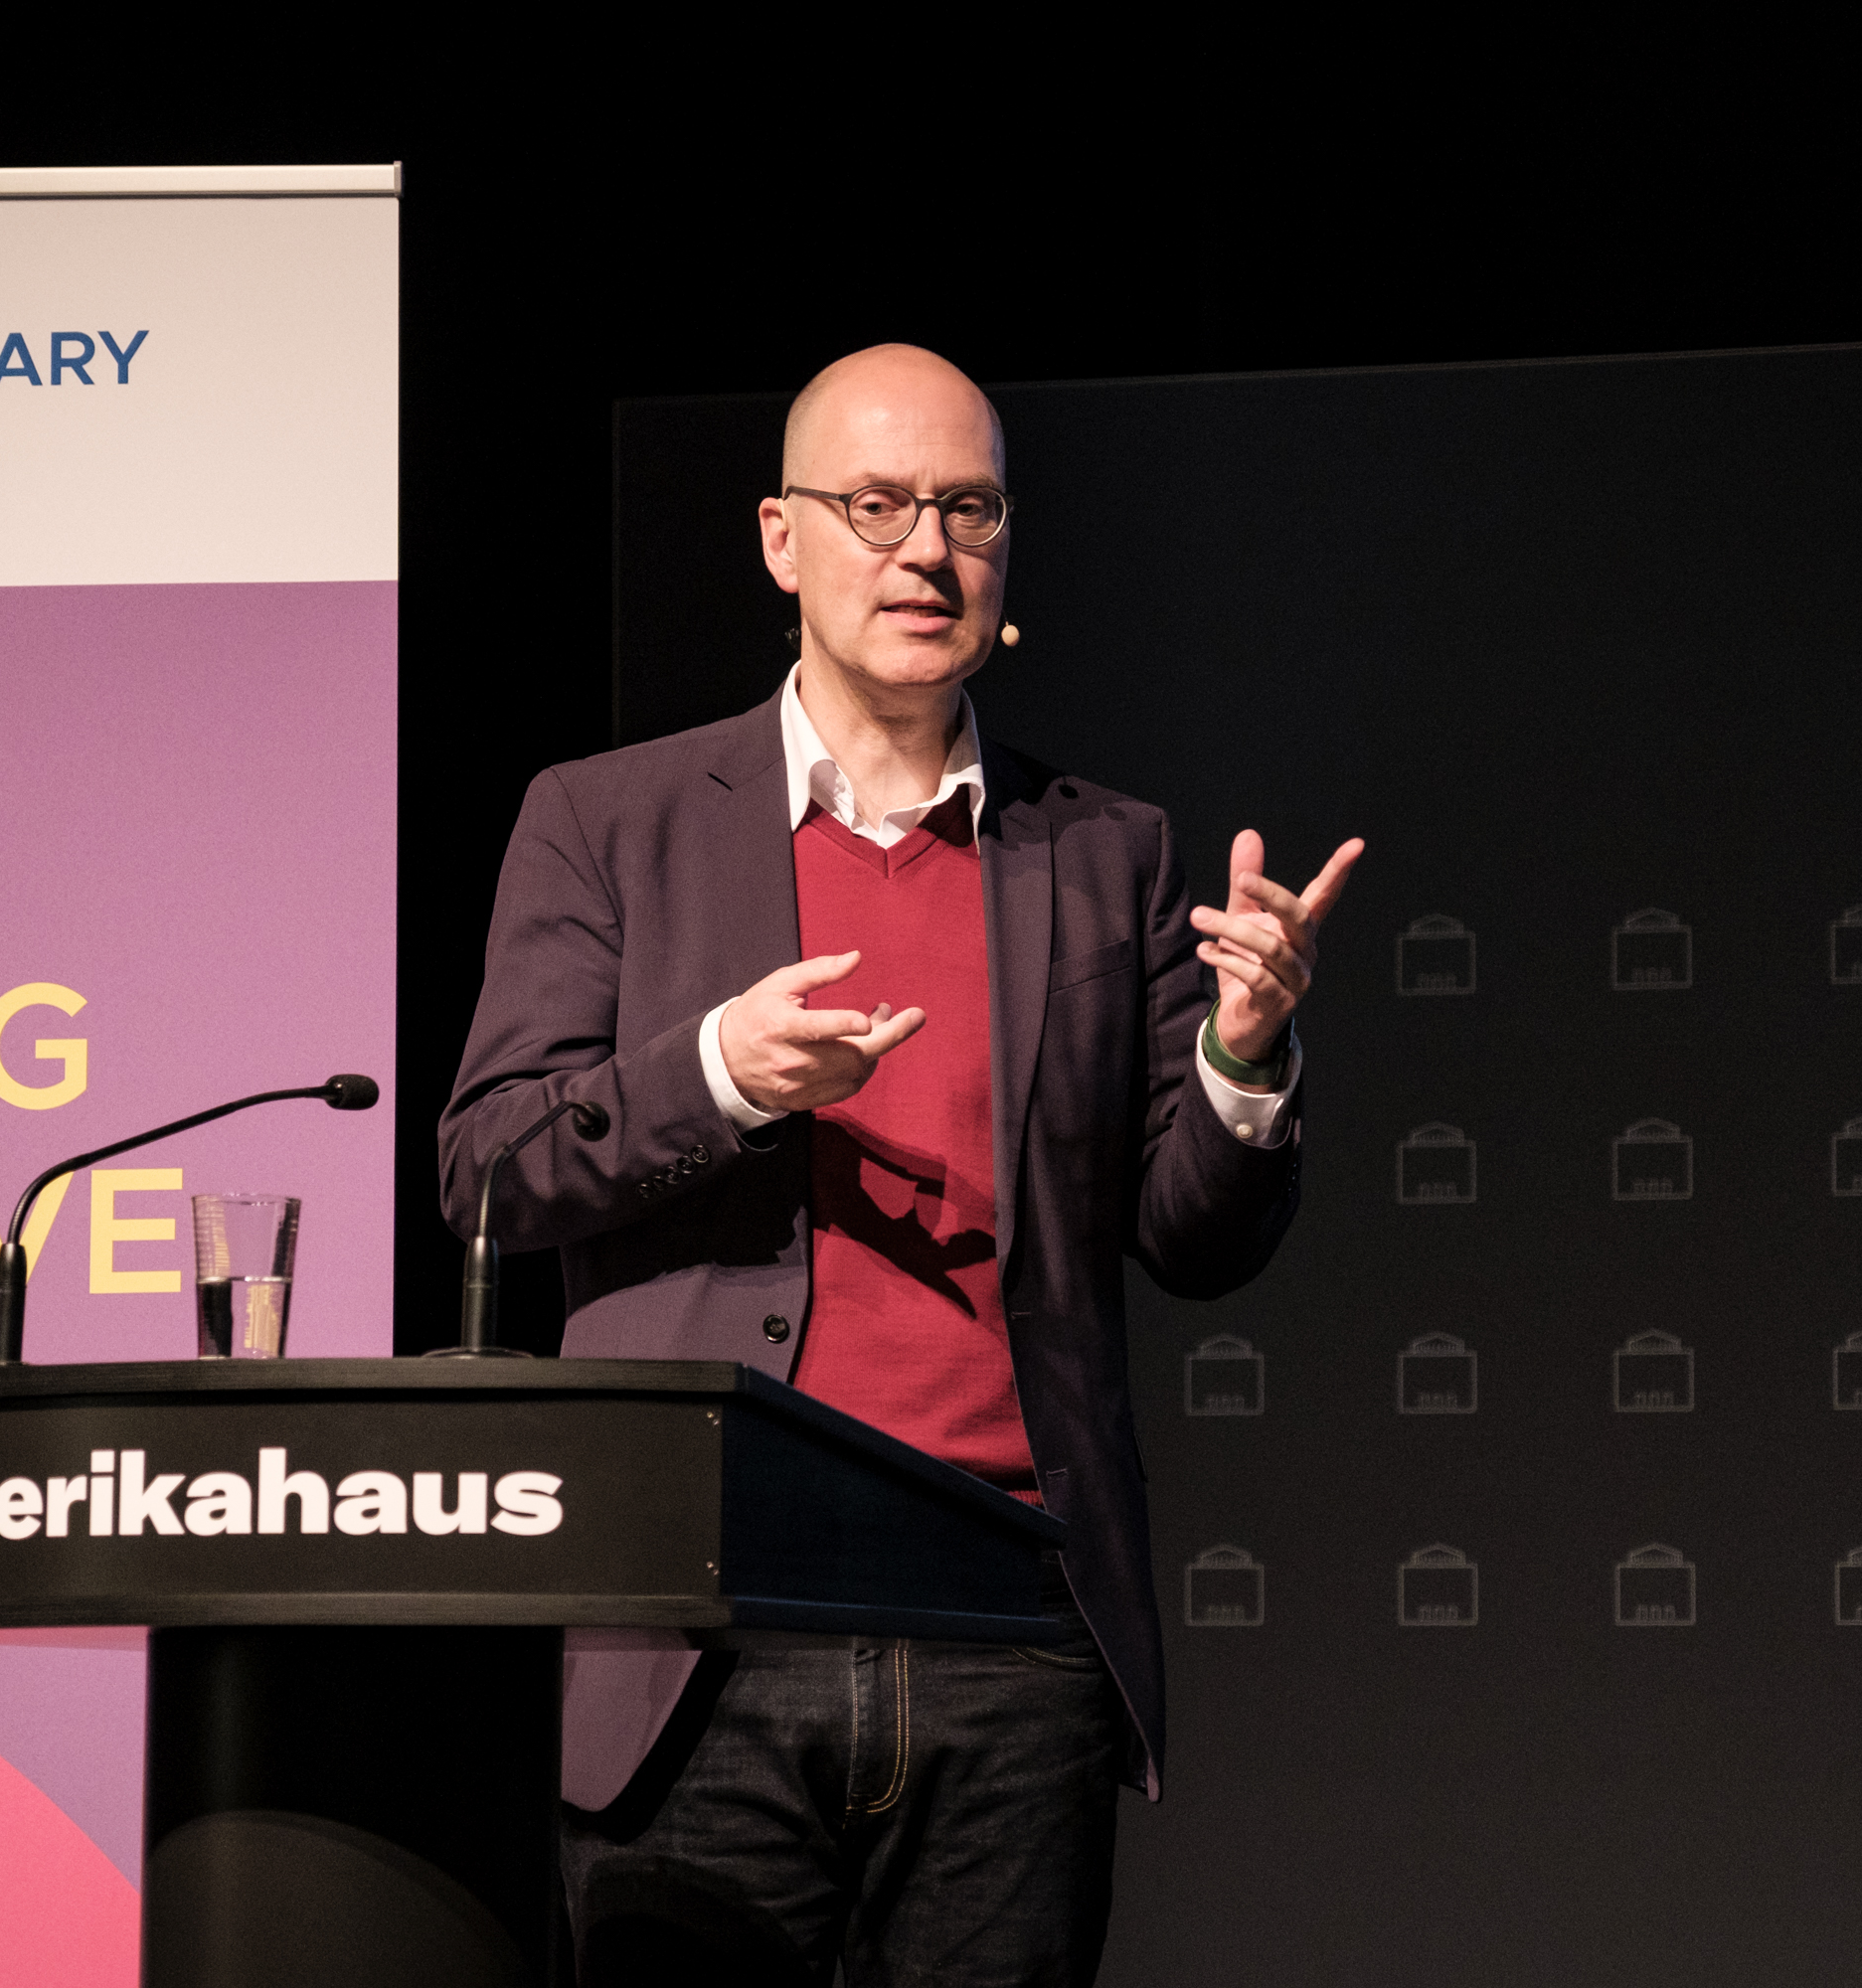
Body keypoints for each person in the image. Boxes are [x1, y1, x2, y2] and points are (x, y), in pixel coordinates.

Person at [439, 343, 1361, 1986]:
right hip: (705, 1625)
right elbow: (491, 1172)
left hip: (1009, 1631)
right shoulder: (610, 820)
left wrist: (1242, 1057)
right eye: (875, 505)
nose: (924, 550)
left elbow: (1192, 1238)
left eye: (967, 508)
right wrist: (720, 1074)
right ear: (783, 539)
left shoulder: (1109, 852)